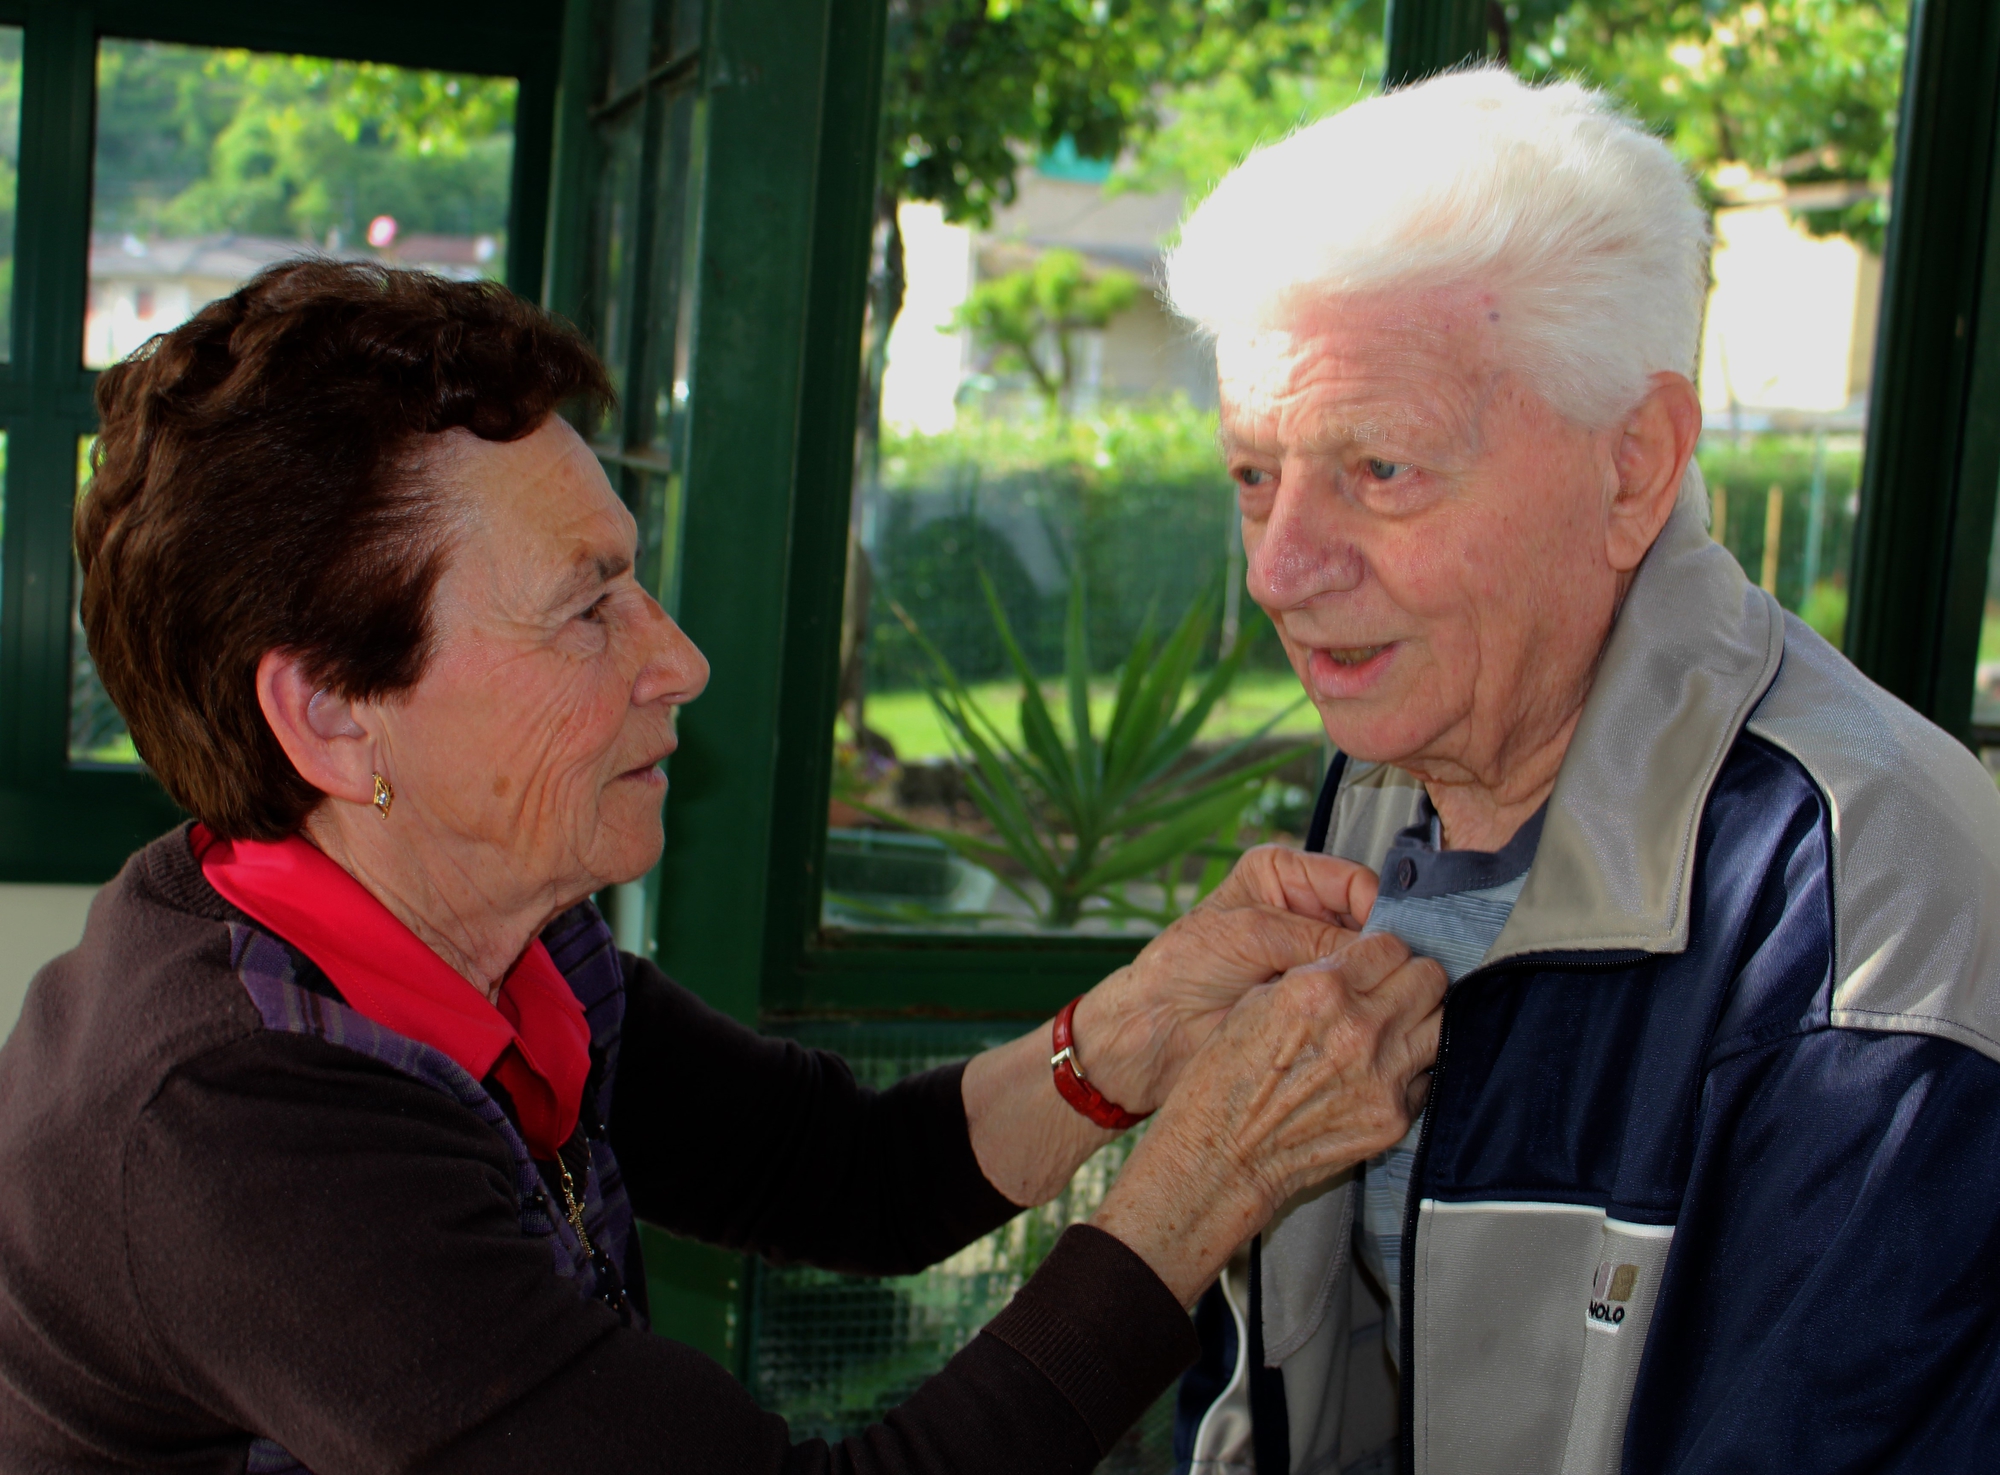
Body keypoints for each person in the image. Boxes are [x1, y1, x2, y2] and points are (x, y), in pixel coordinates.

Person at [0, 261, 1447, 1473]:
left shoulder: (491, 949)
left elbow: (860, 1175)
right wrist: (1212, 1180)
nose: (678, 660)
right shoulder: (237, 1130)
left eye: (634, 577)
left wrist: (1132, 1032)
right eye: (587, 612)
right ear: (328, 710)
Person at [1163, 66, 2000, 1474]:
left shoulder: (1872, 915)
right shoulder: (1399, 765)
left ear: (1636, 470)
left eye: (1378, 468)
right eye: (1254, 473)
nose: (1278, 570)